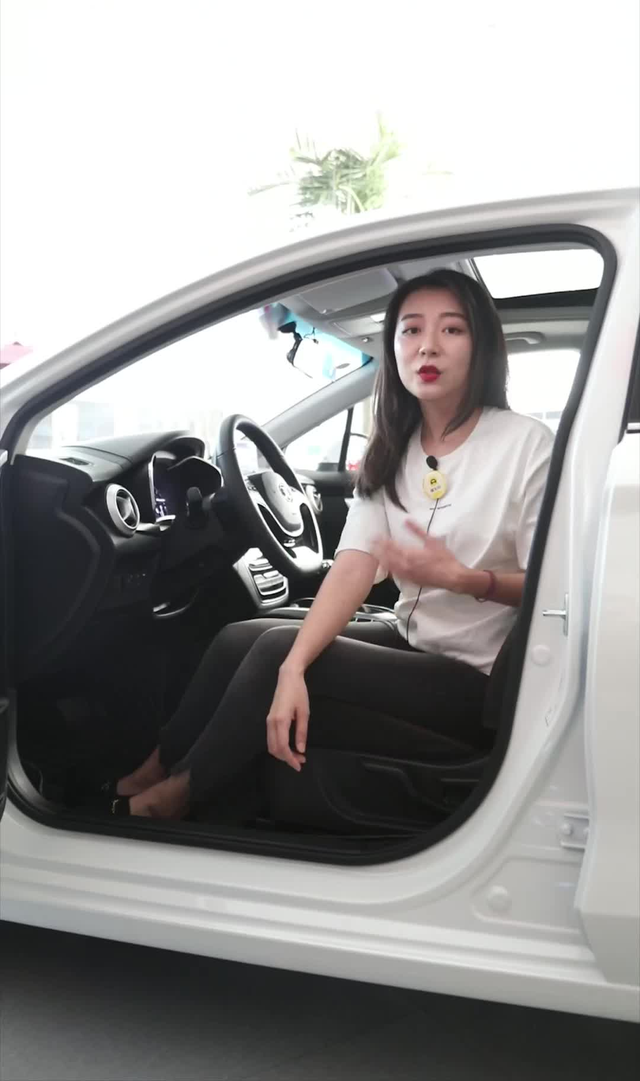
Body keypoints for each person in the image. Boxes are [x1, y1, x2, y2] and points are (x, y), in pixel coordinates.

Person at [92, 269, 554, 818]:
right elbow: (354, 566)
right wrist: (295, 665)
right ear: (394, 346)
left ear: (482, 347)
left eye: (451, 330)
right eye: (411, 330)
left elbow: (555, 588)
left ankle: (175, 798)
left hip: (475, 676)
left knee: (274, 652)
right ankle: (156, 767)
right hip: (412, 636)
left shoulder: (527, 444)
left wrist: (467, 580)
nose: (428, 346)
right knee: (241, 637)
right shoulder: (395, 446)